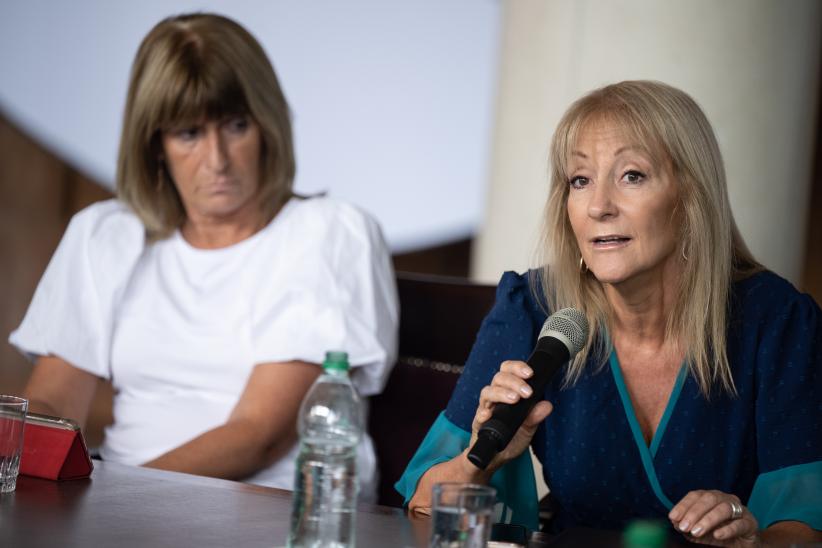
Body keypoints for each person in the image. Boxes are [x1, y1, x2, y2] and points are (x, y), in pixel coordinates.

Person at [397, 81, 821, 544]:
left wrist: (753, 542)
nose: (599, 206)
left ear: (691, 198)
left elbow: (805, 526)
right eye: (580, 181)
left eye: (632, 175)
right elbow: (422, 504)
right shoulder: (533, 307)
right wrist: (484, 457)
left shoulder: (777, 321)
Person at [9, 12, 398, 501]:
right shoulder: (105, 233)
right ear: (154, 146)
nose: (217, 160)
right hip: (123, 504)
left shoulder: (327, 232)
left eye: (236, 126)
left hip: (273, 512)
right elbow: (50, 404)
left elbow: (260, 435)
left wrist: (110, 502)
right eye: (188, 134)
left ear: (268, 126)